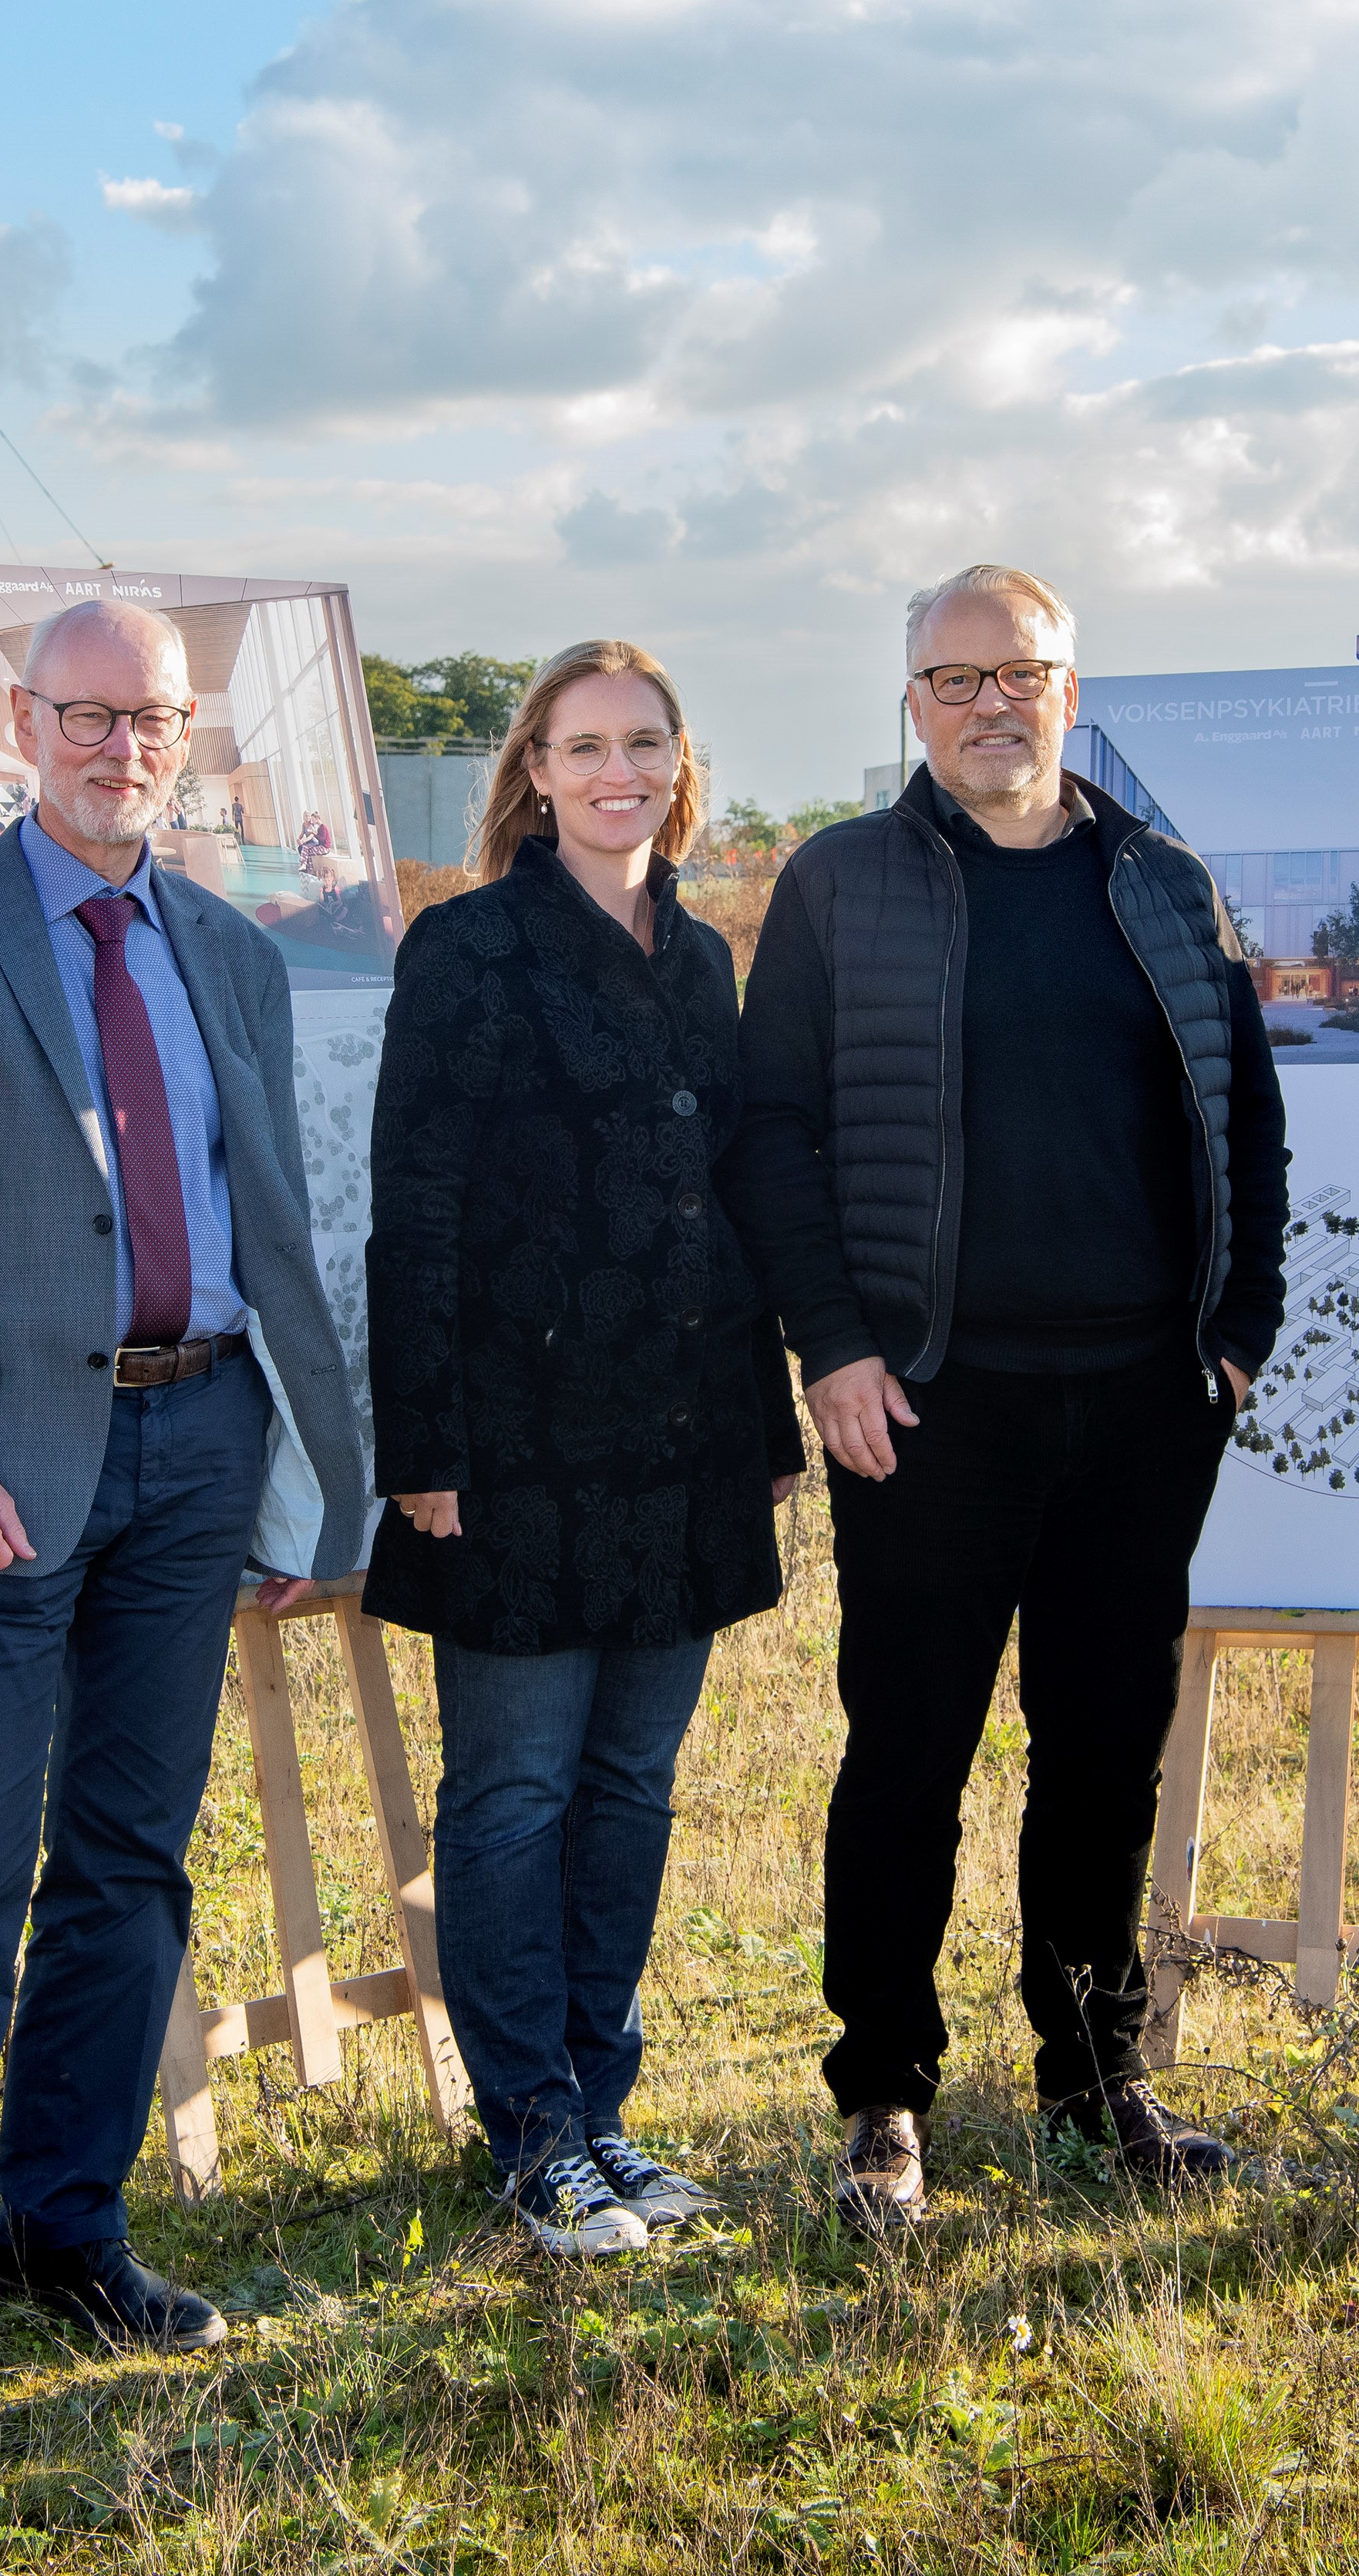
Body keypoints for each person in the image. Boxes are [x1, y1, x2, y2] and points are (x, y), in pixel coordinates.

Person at [0, 597, 375, 2441]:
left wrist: (307, 1470)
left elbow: (269, 1219)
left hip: (199, 1448)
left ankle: (66, 2225)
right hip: (2, 1466)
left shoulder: (236, 948)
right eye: (89, 712)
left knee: (130, 1862)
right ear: (26, 719)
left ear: (190, 733)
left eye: (156, 717)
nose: (123, 742)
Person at [721, 563, 1287, 2235]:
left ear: (1069, 683)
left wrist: (1235, 1330)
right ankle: (885, 2093)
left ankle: (1095, 2075)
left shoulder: (1165, 885)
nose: (987, 701)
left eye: (1016, 672)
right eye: (952, 676)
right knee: (909, 1749)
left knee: (1107, 1749)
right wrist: (830, 1345)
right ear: (913, 701)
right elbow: (771, 1136)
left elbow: (1244, 1117)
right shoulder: (841, 883)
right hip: (929, 1401)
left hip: (1141, 1398)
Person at [365, 639, 803, 2258]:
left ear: (682, 766)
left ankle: (604, 2108)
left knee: (631, 1782)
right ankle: (530, 2124)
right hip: (516, 1448)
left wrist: (764, 1421)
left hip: (683, 1437)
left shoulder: (701, 957)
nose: (621, 769)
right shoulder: (469, 949)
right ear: (534, 772)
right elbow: (409, 1209)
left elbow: (731, 1211)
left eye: (647, 742)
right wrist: (425, 1445)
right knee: (516, 1789)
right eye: (586, 744)